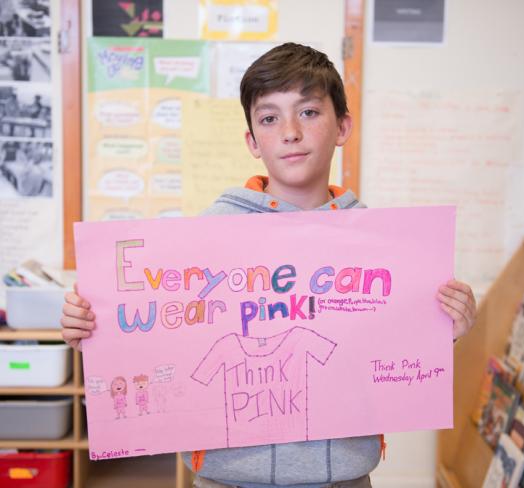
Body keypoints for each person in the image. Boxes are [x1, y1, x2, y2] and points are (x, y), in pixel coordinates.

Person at [61, 43, 477, 488]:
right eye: (269, 118)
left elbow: (387, 351)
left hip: (344, 478)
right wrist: (90, 327)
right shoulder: (204, 239)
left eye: (310, 112)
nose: (291, 132)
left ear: (342, 126)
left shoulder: (380, 248)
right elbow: (155, 340)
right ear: (252, 141)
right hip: (227, 478)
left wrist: (441, 328)